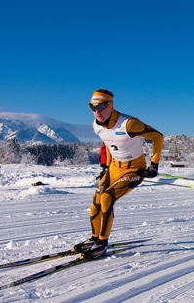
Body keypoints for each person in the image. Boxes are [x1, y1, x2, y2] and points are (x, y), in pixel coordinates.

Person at [74, 89, 164, 259]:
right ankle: (94, 238)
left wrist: (154, 164)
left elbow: (157, 136)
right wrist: (105, 166)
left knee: (107, 198)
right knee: (96, 203)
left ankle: (102, 242)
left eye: (101, 107)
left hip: (134, 169)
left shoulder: (129, 124)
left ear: (111, 105)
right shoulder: (96, 125)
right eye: (92, 108)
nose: (97, 112)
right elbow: (108, 143)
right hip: (114, 168)